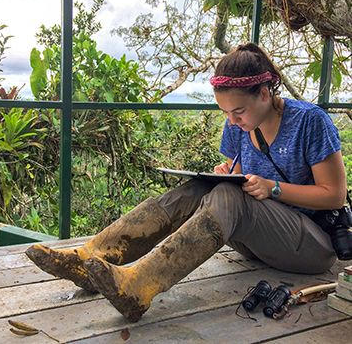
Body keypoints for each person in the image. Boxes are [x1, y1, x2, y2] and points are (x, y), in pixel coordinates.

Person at [26, 43, 347, 323]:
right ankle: (91, 256)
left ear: (264, 93)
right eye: (225, 113)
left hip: (310, 246)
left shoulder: (309, 121)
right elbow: (237, 167)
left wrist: (272, 187)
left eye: (238, 112)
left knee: (229, 198)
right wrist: (226, 169)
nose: (232, 121)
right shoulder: (237, 124)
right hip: (258, 242)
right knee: (203, 188)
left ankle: (139, 286)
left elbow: (334, 195)